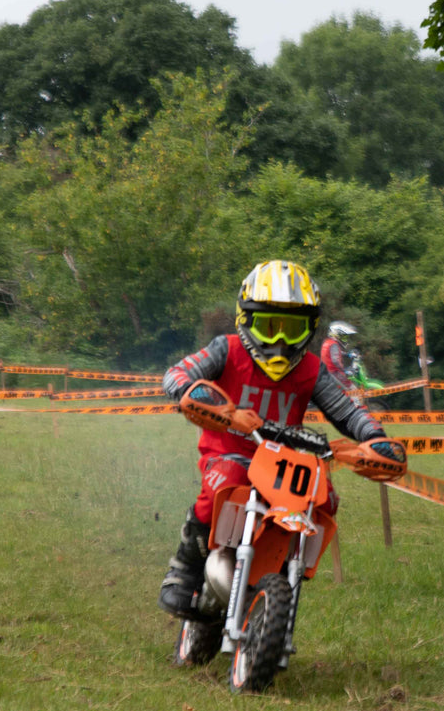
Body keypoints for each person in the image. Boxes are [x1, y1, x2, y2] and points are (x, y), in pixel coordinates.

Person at [157, 260, 391, 620]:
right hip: (229, 451)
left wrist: (374, 438)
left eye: (292, 328)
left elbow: (346, 412)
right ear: (246, 320)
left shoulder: (312, 369)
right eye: (269, 327)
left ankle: (284, 569)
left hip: (283, 464)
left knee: (325, 499)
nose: (280, 341)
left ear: (309, 329)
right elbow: (177, 374)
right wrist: (199, 396)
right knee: (225, 484)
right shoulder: (227, 349)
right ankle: (183, 569)